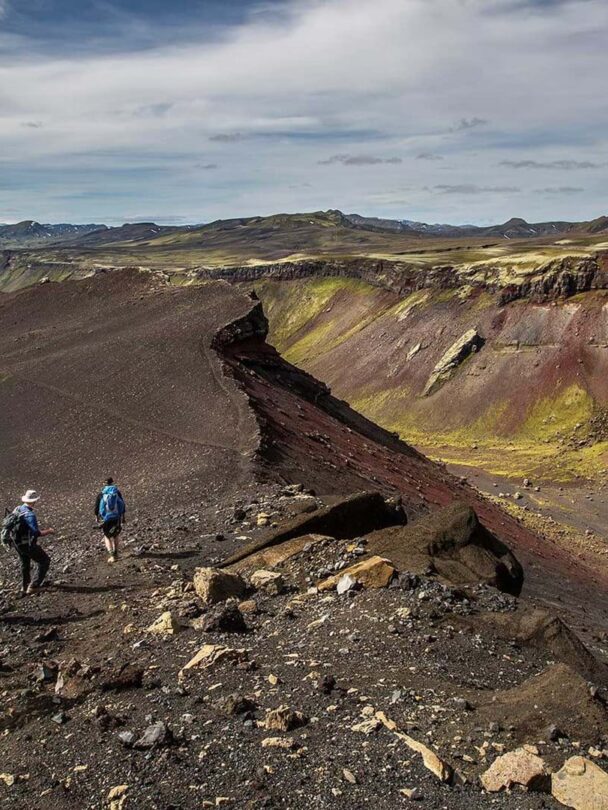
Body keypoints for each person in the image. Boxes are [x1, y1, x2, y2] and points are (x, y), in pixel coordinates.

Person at [12, 490, 55, 597]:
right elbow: (36, 532)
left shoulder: (18, 509)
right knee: (44, 560)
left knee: (25, 563)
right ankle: (34, 586)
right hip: (27, 544)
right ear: (34, 501)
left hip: (16, 542)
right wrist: (49, 531)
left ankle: (25, 586)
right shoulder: (30, 515)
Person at [95, 477, 126, 563]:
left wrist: (97, 517)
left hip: (106, 518)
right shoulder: (116, 492)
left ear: (104, 484)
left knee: (107, 536)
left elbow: (97, 507)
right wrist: (123, 516)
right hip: (116, 517)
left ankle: (112, 555)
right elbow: (122, 504)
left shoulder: (102, 494)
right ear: (112, 483)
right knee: (115, 535)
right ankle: (116, 553)